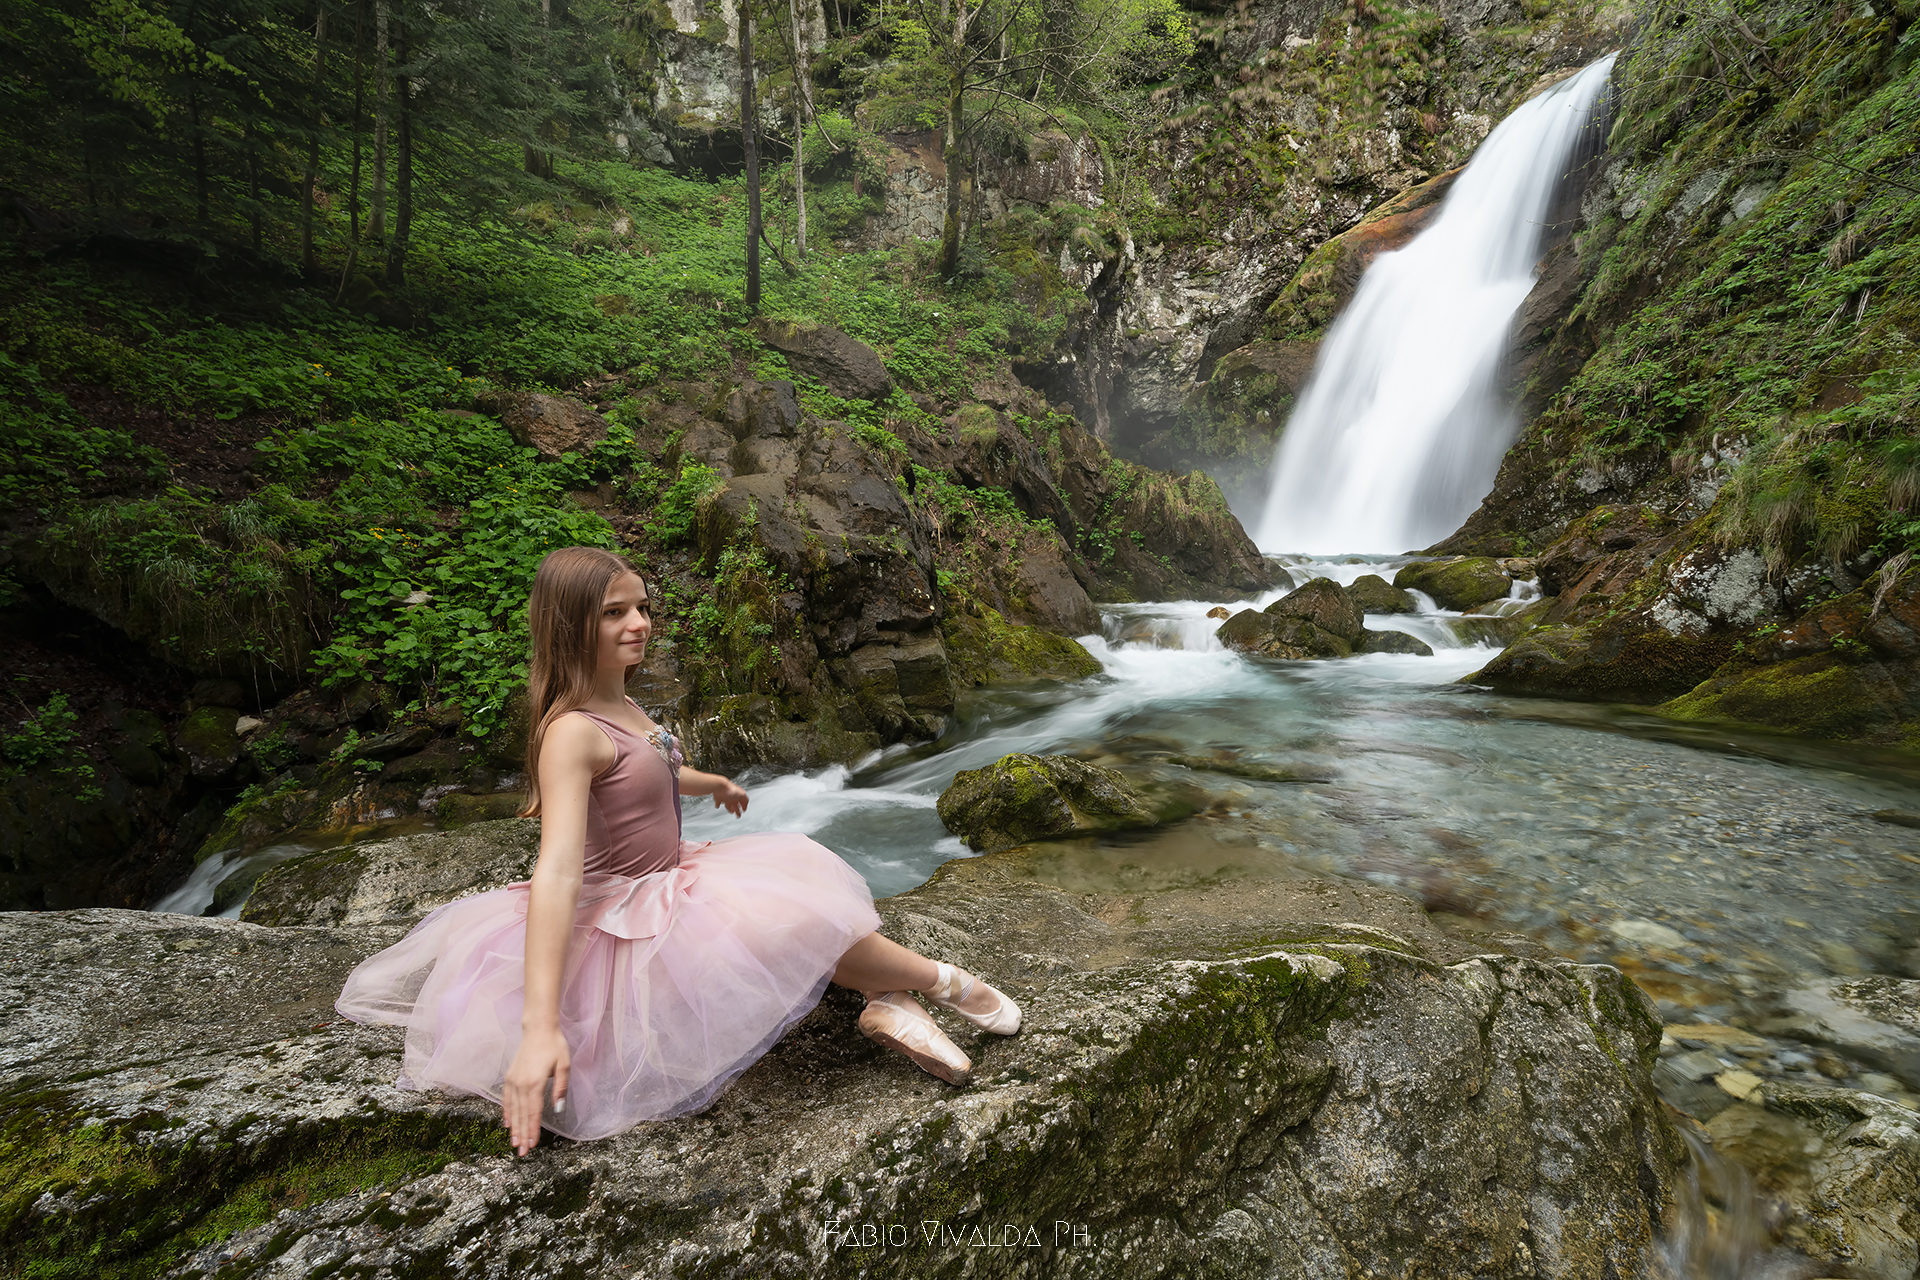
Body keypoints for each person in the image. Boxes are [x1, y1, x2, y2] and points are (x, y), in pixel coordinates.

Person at [336, 546, 1019, 1155]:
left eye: (641, 608)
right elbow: (558, 870)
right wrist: (540, 1027)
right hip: (626, 910)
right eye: (614, 614)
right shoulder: (570, 732)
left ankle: (889, 998)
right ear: (569, 626)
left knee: (799, 901)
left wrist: (708, 782)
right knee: (794, 922)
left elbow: (650, 764)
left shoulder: (628, 708)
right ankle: (936, 981)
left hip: (678, 869)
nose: (639, 624)